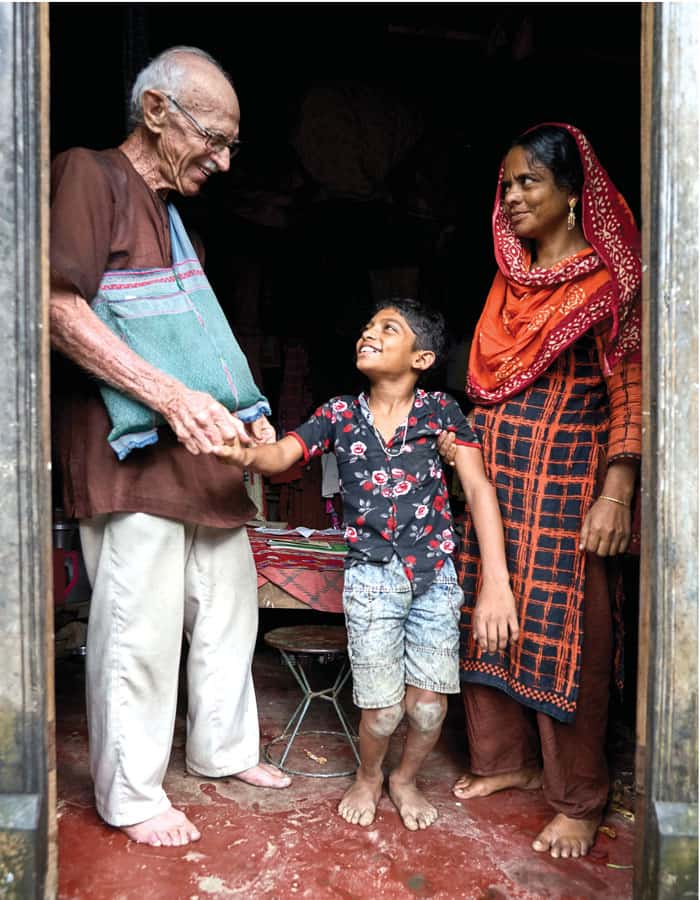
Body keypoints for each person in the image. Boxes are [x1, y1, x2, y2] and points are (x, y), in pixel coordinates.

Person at [49, 46, 291, 850]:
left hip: (204, 463)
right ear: (155, 111)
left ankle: (225, 749)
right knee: (138, 631)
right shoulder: (88, 173)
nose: (222, 161)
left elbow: (196, 337)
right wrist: (172, 397)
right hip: (132, 458)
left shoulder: (176, 219)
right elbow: (54, 304)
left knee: (229, 610)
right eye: (213, 139)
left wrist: (243, 410)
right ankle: (131, 795)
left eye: (230, 146)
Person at [214, 298, 518, 831]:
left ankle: (404, 779)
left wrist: (497, 583)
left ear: (421, 358)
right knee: (381, 710)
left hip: (434, 579)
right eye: (367, 325)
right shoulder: (338, 414)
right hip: (371, 580)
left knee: (427, 709)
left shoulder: (441, 413)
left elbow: (477, 486)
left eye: (387, 328)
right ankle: (370, 775)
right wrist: (245, 455)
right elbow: (283, 455)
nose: (368, 333)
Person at [447, 123, 642, 859]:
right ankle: (507, 761)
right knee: (485, 615)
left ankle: (579, 797)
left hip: (568, 490)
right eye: (506, 185)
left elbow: (631, 391)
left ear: (570, 195)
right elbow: (487, 382)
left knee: (570, 638)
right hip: (496, 484)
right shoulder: (509, 282)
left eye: (529, 181)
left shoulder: (607, 283)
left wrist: (616, 494)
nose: (514, 196)